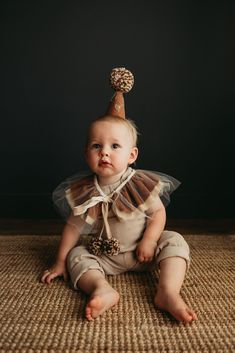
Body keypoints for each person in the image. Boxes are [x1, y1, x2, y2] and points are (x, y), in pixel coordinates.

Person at [41, 68, 197, 323]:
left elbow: (157, 213)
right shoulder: (85, 191)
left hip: (142, 252)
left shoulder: (139, 184)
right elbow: (72, 227)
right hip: (104, 257)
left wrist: (149, 240)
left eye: (115, 146)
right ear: (86, 154)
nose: (104, 153)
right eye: (96, 146)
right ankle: (101, 288)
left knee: (174, 241)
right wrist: (59, 262)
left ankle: (168, 291)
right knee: (76, 256)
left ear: (132, 155)